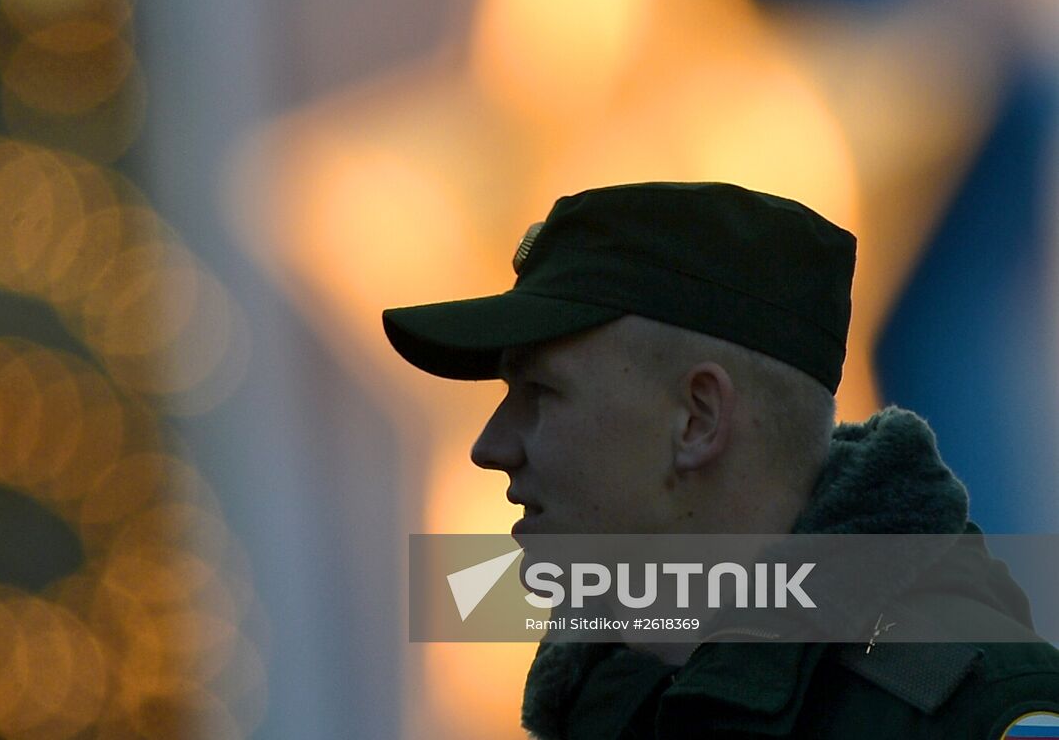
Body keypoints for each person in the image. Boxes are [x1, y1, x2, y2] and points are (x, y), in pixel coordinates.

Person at [383, 182, 1059, 739]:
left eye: (540, 393)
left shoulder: (966, 713)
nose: (490, 447)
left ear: (698, 420)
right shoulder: (608, 705)